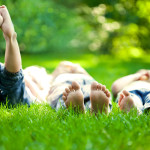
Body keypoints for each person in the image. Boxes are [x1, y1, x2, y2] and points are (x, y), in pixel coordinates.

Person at [0, 5, 112, 115]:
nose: (34, 73)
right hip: (75, 82)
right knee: (68, 93)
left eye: (36, 71)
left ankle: (87, 108)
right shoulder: (50, 85)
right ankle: (94, 109)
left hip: (79, 81)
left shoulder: (53, 81)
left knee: (67, 93)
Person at [24, 61, 112, 115]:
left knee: (63, 95)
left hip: (66, 82)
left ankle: (75, 110)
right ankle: (99, 109)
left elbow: (41, 98)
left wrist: (27, 80)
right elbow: (40, 98)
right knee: (93, 91)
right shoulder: (48, 86)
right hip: (86, 80)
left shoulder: (53, 82)